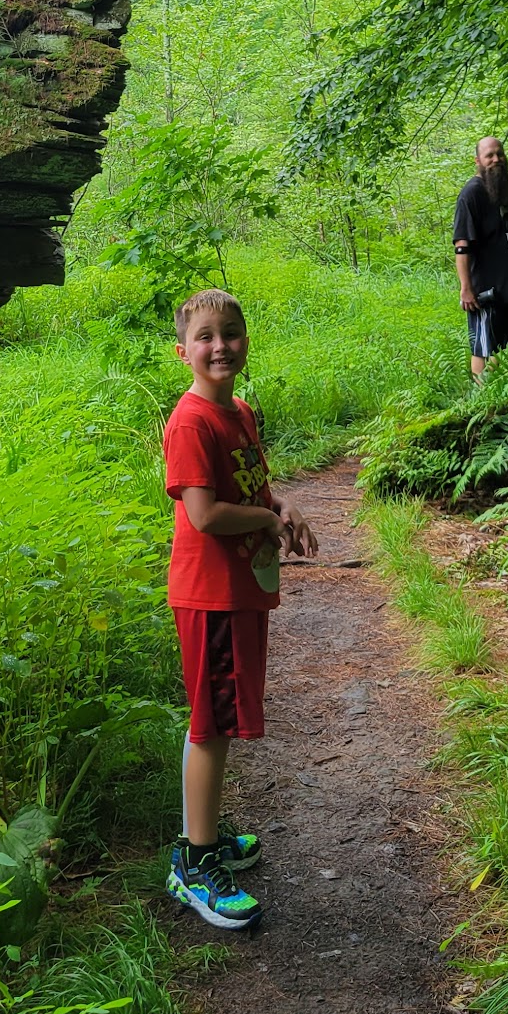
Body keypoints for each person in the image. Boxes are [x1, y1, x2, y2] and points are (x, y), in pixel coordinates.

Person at [162, 287, 317, 929]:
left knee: (220, 719)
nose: (219, 345)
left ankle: (206, 836)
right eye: (205, 336)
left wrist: (282, 510)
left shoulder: (240, 412)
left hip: (238, 591)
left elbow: (254, 487)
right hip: (211, 596)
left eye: (231, 333)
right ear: (183, 351)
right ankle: (195, 867)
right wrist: (262, 518)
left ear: (246, 340)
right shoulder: (192, 421)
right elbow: (203, 514)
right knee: (212, 724)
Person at [453, 136, 508, 379]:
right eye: (490, 155)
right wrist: (465, 288)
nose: (496, 159)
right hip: (486, 291)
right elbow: (461, 245)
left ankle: (501, 400)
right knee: (483, 348)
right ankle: (483, 403)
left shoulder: (502, 190)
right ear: (478, 160)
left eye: (500, 154)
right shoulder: (472, 194)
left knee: (507, 346)